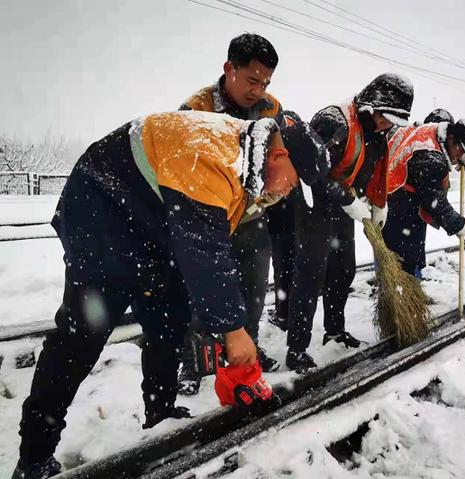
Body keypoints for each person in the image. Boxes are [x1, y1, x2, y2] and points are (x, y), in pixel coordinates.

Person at [12, 110, 307, 479]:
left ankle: (161, 411)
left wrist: (224, 321)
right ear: (279, 157)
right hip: (100, 207)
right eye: (294, 184)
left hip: (149, 220)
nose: (287, 192)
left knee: (169, 316)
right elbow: (205, 252)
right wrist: (233, 329)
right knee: (83, 334)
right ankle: (34, 455)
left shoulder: (248, 161)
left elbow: (210, 243)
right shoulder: (213, 152)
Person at [177, 33, 285, 394]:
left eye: (265, 82)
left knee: (253, 295)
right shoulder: (196, 110)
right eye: (252, 80)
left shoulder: (271, 108)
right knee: (204, 295)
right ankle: (194, 364)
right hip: (210, 222)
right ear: (229, 69)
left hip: (252, 218)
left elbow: (276, 157)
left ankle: (245, 352)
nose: (258, 90)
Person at [284, 73, 414, 372]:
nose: (387, 124)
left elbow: (374, 168)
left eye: (393, 120)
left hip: (345, 205)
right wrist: (346, 199)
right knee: (310, 276)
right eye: (385, 117)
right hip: (315, 204)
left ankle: (335, 330)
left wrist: (377, 203)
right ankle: (297, 349)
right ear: (371, 104)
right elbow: (313, 172)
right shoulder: (334, 121)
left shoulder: (378, 132)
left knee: (343, 271)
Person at [382, 108, 455, 277]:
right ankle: (404, 290)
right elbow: (433, 194)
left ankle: (396, 288)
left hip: (389, 199)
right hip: (405, 206)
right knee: (406, 257)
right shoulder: (427, 146)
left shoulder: (407, 135)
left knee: (391, 254)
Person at [267, 110, 303, 331]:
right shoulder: (296, 134)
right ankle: (289, 311)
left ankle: (283, 314)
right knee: (293, 265)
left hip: (277, 215)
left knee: (283, 265)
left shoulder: (275, 140)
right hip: (295, 214)